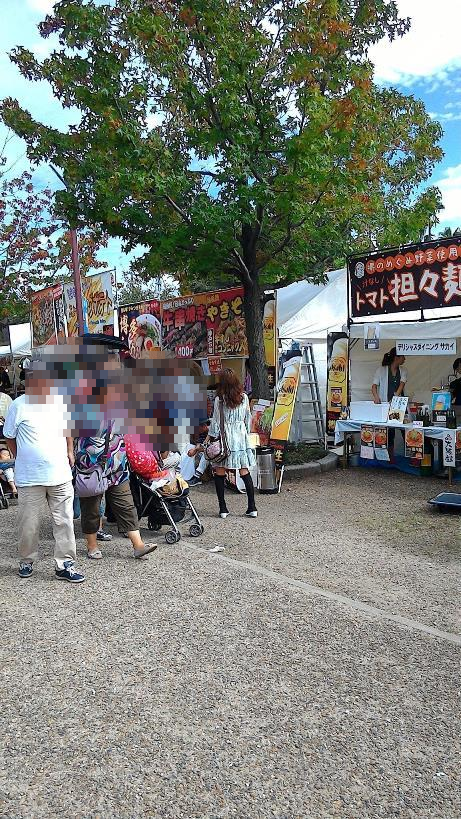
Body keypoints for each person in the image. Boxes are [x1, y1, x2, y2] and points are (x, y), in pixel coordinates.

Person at [2, 367, 85, 582]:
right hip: (30, 478)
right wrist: (20, 455)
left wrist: (69, 450)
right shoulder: (18, 406)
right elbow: (9, 436)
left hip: (60, 474)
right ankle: (27, 560)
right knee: (28, 523)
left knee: (64, 521)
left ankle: (65, 564)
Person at [74, 425, 158, 560]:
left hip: (117, 465)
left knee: (126, 505)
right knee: (92, 508)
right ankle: (92, 546)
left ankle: (138, 545)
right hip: (91, 465)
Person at [210, 368, 257, 519]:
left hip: (225, 441)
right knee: (244, 471)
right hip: (241, 439)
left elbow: (216, 424)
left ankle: (223, 508)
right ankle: (252, 507)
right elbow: (247, 419)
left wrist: (209, 439)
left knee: (220, 472)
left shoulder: (219, 400)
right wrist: (245, 432)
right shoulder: (243, 398)